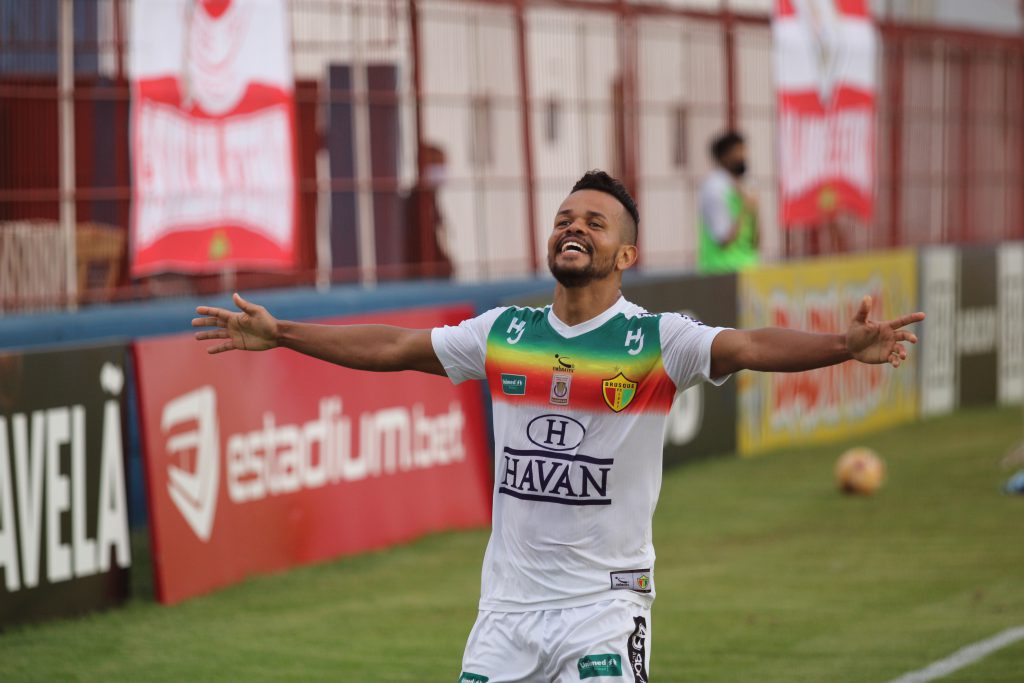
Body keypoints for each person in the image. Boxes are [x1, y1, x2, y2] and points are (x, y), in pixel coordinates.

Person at [193, 171, 923, 682]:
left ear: (625, 255)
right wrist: (282, 331)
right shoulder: (505, 331)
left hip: (604, 606)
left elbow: (750, 346)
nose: (573, 227)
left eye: (593, 222)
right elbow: (394, 347)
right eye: (564, 219)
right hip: (505, 610)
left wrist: (840, 346)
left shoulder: (657, 338)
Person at [698, 131, 760, 273]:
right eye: (737, 151)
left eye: (744, 150)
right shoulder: (714, 188)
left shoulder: (748, 185)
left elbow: (755, 240)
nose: (743, 156)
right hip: (721, 272)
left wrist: (755, 210)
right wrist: (745, 207)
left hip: (749, 270)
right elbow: (723, 240)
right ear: (723, 157)